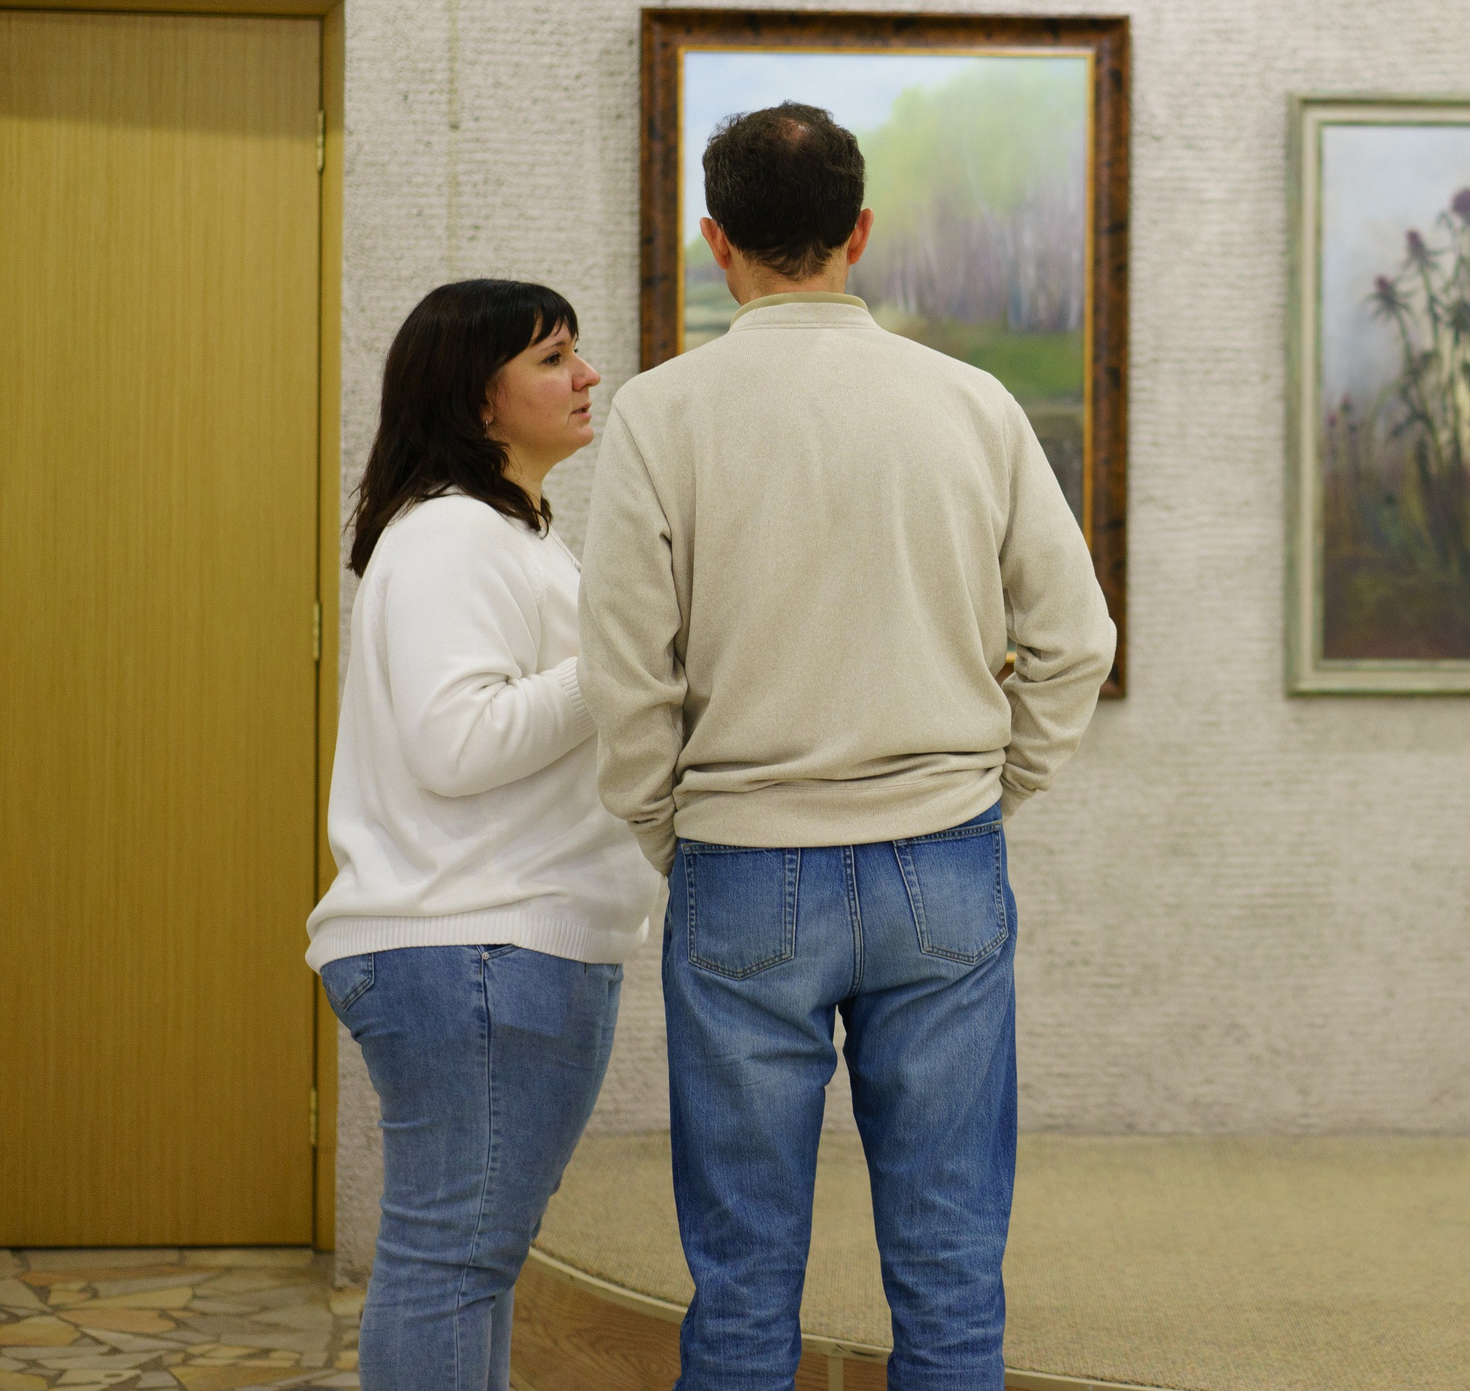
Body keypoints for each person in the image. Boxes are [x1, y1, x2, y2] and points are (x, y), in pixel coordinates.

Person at [580, 102, 1114, 1391]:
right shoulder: (971, 402)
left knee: (742, 1280)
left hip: (739, 860)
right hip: (943, 857)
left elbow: (626, 671)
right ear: (859, 231)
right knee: (950, 1268)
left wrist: (668, 825)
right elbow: (1075, 639)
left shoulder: (660, 412)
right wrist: (994, 787)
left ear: (717, 240)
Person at [306, 280, 659, 1391]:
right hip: (474, 946)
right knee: (452, 1260)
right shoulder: (454, 533)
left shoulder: (511, 533)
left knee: (469, 1260)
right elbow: (458, 744)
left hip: (490, 946)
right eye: (553, 358)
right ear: (479, 400)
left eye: (576, 352)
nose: (587, 375)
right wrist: (619, 663)